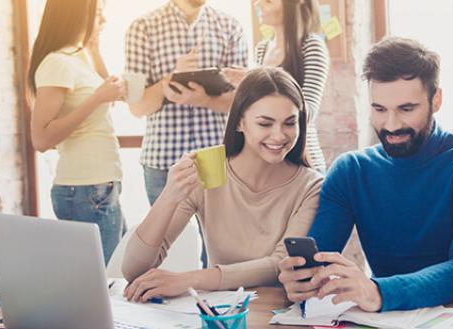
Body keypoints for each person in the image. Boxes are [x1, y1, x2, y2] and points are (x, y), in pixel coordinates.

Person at [277, 37, 453, 312]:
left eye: (406, 109)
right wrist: (303, 280)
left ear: (436, 100)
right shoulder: (351, 171)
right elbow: (321, 258)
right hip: (388, 319)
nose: (391, 125)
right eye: (379, 109)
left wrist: (378, 291)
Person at [121, 67, 324, 301]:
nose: (279, 136)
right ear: (240, 122)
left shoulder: (311, 186)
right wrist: (170, 196)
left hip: (277, 313)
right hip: (219, 316)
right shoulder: (207, 172)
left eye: (290, 123)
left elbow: (279, 265)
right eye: (265, 124)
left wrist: (189, 280)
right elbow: (133, 270)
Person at [28, 0, 126, 263]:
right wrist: (96, 98)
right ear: (78, 15)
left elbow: (109, 96)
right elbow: (41, 138)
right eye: (98, 14)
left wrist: (94, 49)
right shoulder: (56, 62)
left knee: (114, 275)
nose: (104, 20)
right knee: (104, 284)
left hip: (98, 187)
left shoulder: (79, 56)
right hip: (84, 190)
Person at [124, 0, 249, 205]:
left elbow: (242, 102)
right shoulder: (143, 28)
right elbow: (137, 107)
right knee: (165, 237)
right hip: (163, 161)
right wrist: (171, 79)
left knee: (219, 237)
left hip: (217, 159)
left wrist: (205, 100)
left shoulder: (230, 27)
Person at [249, 0, 330, 172]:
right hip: (270, 164)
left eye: (268, 1)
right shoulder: (262, 49)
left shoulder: (312, 46)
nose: (258, 4)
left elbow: (307, 113)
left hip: (303, 162)